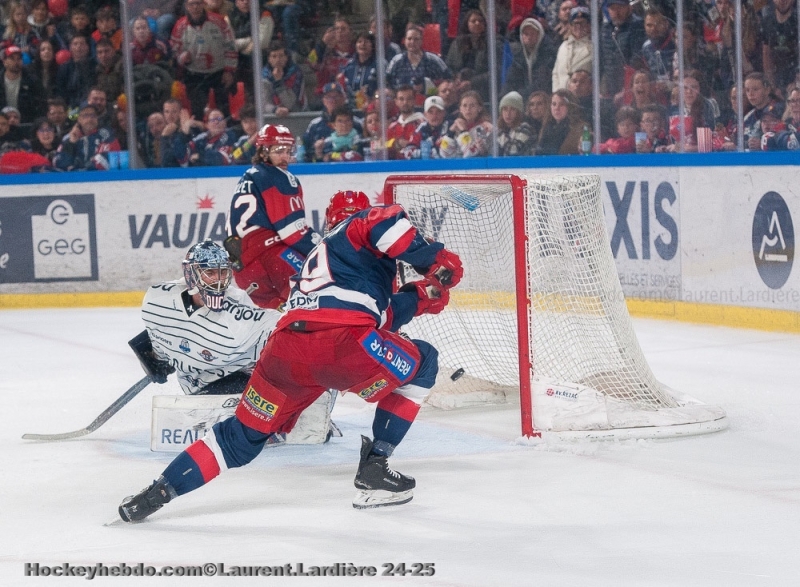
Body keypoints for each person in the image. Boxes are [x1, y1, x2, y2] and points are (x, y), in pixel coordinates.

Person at [118, 191, 463, 522]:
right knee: (426, 361)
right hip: (343, 345)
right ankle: (376, 464)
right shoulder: (360, 228)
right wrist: (436, 260)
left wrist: (420, 297)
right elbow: (384, 224)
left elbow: (373, 313)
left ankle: (155, 494)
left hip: (284, 352)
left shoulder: (323, 257)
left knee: (238, 439)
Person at [226, 123, 321, 309]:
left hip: (244, 273)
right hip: (271, 259)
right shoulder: (278, 177)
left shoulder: (248, 177)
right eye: (278, 150)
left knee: (272, 324)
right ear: (263, 151)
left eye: (288, 150)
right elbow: (294, 232)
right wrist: (325, 248)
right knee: (318, 285)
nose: (285, 156)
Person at [170, 0, 237, 119]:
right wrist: (181, 58)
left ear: (203, 4)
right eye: (191, 4)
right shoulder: (180, 25)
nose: (195, 7)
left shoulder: (219, 21)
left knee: (224, 111)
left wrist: (229, 70)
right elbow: (174, 49)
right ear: (186, 6)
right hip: (194, 73)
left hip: (218, 72)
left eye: (198, 3)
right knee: (197, 112)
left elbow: (231, 46)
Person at [53, 102, 121, 171]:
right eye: (86, 115)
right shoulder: (69, 138)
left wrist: (80, 169)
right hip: (73, 180)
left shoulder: (106, 135)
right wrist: (71, 143)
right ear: (79, 119)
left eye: (93, 115)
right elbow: (59, 163)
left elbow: (108, 159)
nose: (90, 119)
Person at [502, 17, 557, 101]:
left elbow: (542, 83)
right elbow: (511, 80)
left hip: (544, 99)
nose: (529, 37)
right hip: (522, 99)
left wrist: (519, 96)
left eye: (532, 34)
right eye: (526, 34)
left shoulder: (549, 54)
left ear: (540, 35)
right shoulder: (518, 57)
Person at [386, 25, 452, 93]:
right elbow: (387, 82)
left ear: (421, 41)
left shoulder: (434, 60)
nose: (412, 42)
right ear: (404, 40)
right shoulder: (396, 61)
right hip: (402, 101)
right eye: (409, 39)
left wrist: (427, 87)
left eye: (416, 39)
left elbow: (448, 80)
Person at [439, 89, 493, 158]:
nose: (468, 109)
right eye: (464, 105)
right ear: (460, 109)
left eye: (472, 105)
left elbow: (470, 153)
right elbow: (444, 154)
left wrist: (463, 131)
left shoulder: (484, 128)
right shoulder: (454, 127)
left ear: (479, 108)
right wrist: (450, 133)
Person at [0, 45, 45, 124]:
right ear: (4, 62)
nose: (16, 62)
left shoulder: (32, 81)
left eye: (19, 58)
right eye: (12, 59)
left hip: (26, 123)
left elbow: (41, 104)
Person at [551, 6, 592, 92]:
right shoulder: (563, 46)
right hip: (562, 97)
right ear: (570, 25)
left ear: (589, 25)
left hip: (582, 97)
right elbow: (555, 73)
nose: (579, 27)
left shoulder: (594, 47)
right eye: (575, 23)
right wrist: (556, 93)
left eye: (582, 23)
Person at [262, 40, 307, 117]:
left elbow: (291, 104)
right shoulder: (264, 77)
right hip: (273, 117)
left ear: (286, 57)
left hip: (297, 115)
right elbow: (264, 104)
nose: (278, 60)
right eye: (274, 56)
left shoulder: (296, 73)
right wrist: (275, 109)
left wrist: (279, 82)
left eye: (281, 56)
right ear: (269, 59)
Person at [339, 31, 382, 110]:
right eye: (359, 41)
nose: (363, 44)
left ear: (372, 45)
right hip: (349, 108)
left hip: (373, 109)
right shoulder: (348, 65)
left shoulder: (380, 65)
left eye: (366, 42)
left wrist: (372, 102)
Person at [536, 88, 585, 155]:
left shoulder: (581, 129)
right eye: (554, 104)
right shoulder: (546, 128)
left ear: (570, 107)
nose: (556, 108)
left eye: (562, 104)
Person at [386, 85, 424, 160]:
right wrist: (395, 143)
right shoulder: (392, 127)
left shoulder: (422, 124)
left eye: (409, 99)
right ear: (396, 102)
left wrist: (410, 145)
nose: (405, 102)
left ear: (414, 100)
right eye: (401, 99)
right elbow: (383, 145)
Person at [497, 90, 535, 156]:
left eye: (512, 109)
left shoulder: (525, 128)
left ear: (518, 112)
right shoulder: (501, 130)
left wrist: (500, 134)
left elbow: (513, 150)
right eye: (505, 109)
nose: (508, 113)